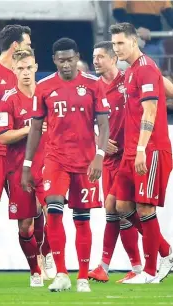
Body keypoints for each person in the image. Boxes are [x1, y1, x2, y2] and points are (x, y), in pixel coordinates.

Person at [21, 38, 110, 292]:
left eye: (70, 59)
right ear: (54, 61)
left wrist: (99, 156)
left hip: (86, 163)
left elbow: (103, 125)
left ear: (77, 57)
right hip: (56, 159)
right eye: (62, 60)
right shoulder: (44, 87)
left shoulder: (93, 85)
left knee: (82, 219)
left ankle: (82, 277)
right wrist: (28, 165)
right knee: (54, 209)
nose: (67, 64)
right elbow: (36, 128)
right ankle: (61, 273)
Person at [0, 24, 54, 284]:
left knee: (37, 212)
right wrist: (11, 127)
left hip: (26, 153)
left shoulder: (31, 76)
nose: (29, 48)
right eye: (27, 42)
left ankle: (44, 258)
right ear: (15, 46)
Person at [109, 22, 173, 284]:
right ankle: (166, 252)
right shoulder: (137, 70)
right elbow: (168, 89)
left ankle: (149, 272)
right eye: (114, 44)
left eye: (121, 43)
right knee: (119, 206)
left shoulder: (144, 68)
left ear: (134, 41)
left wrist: (141, 149)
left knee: (145, 207)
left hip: (149, 149)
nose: (117, 48)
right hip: (132, 150)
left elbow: (149, 112)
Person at [88, 41, 143, 283]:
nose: (96, 61)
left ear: (113, 58)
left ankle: (158, 253)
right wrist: (97, 139)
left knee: (119, 207)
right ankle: (137, 264)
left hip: (128, 156)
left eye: (100, 56)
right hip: (107, 159)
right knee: (116, 212)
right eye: (93, 56)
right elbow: (83, 121)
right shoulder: (91, 87)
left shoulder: (129, 79)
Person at [0, 49, 45, 287]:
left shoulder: (46, 93)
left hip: (47, 165)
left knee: (52, 210)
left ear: (35, 67)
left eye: (29, 68)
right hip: (18, 169)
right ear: (13, 70)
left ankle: (50, 258)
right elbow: (3, 136)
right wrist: (30, 129)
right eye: (21, 69)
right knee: (25, 226)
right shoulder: (8, 100)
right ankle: (34, 270)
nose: (25, 73)